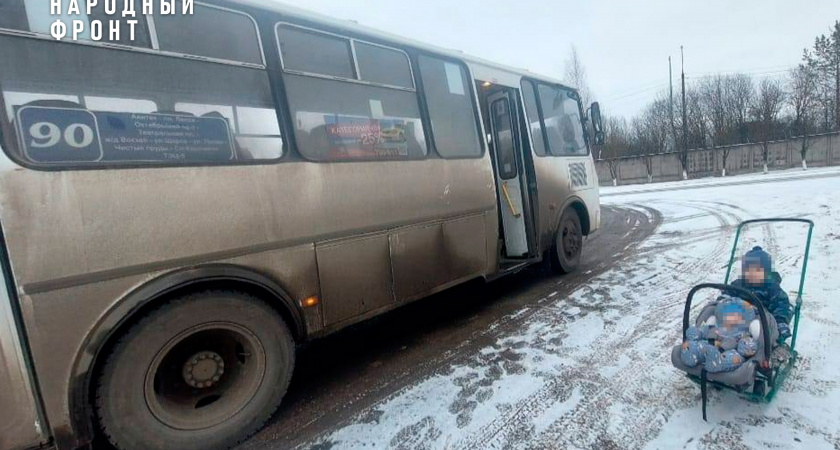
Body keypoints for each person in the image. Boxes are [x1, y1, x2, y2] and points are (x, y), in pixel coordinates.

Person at [731, 246, 793, 340]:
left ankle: (754, 348)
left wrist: (780, 321)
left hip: (762, 323)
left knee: (756, 328)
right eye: (748, 270)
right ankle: (709, 337)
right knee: (712, 310)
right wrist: (722, 301)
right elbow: (727, 294)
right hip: (736, 320)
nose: (752, 273)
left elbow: (782, 306)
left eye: (757, 270)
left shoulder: (772, 288)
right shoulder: (738, 284)